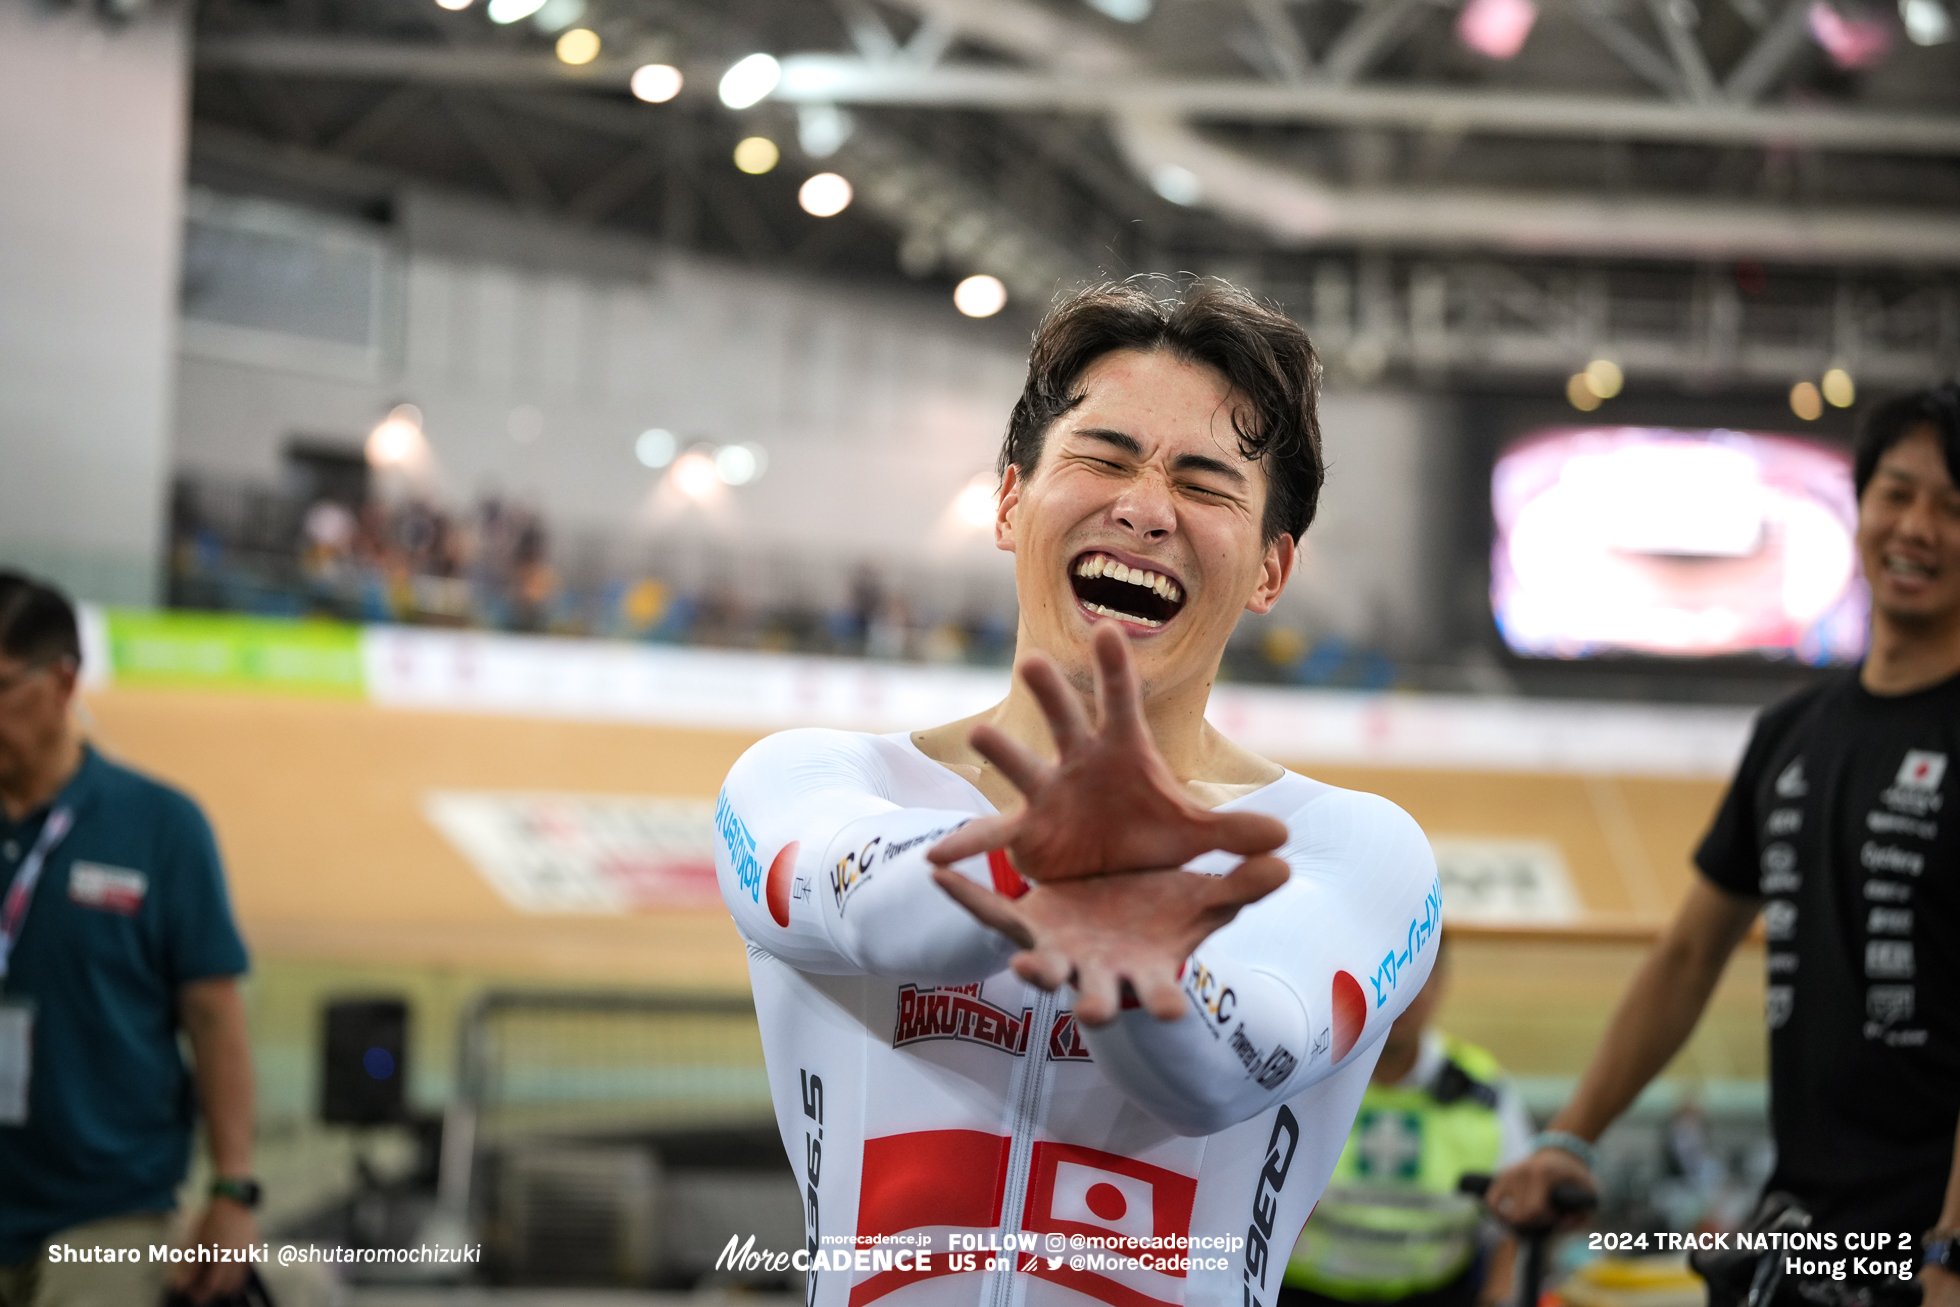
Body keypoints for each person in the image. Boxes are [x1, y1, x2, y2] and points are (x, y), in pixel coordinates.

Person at [713, 281, 1443, 1307]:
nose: (1144, 508)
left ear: (1272, 569)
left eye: (1205, 482)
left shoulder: (1351, 847)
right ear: (1009, 502)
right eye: (1102, 456)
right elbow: (862, 905)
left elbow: (1227, 1066)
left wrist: (1111, 913)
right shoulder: (811, 779)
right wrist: (1041, 855)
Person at [1488, 382, 1960, 1301]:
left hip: (1922, 1246)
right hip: (1802, 1229)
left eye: (1954, 506)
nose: (1918, 526)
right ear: (1859, 505)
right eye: (1897, 492)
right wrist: (1569, 1135)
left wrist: (1951, 1250)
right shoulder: (1792, 733)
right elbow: (1690, 950)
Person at [0, 572, 261, 1307]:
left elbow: (215, 1017)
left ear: (62, 682)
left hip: (108, 1211)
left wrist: (233, 1186)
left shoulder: (162, 828)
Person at [1282, 937, 1530, 1307]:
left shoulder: (1484, 1094)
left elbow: (1512, 1223)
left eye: (1413, 980)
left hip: (1437, 1296)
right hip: (1299, 1294)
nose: (1397, 997)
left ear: (1438, 984)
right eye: (1383, 980)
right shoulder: (1296, 1077)